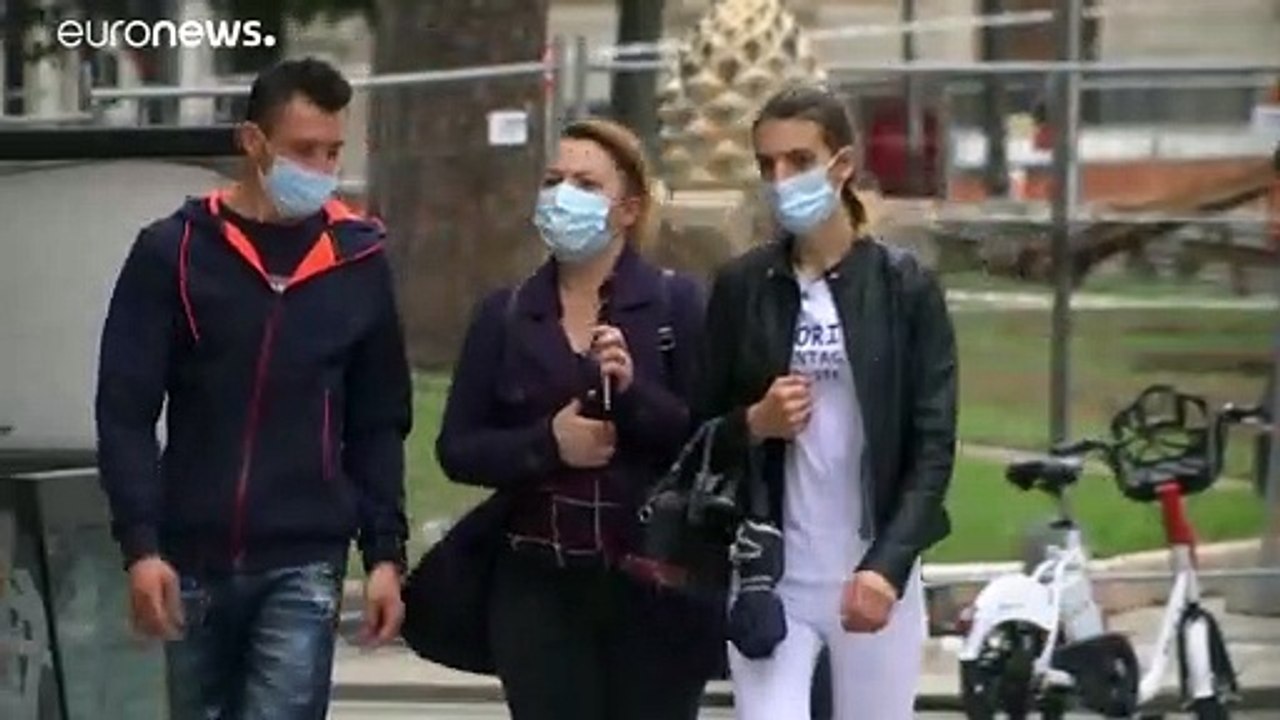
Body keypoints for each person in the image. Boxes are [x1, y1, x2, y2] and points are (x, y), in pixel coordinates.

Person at [94, 57, 411, 720]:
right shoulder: (173, 253)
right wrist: (142, 546)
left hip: (303, 557)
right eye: (303, 151)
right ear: (252, 142)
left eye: (332, 152)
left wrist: (385, 554)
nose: (320, 170)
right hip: (190, 556)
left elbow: (379, 420)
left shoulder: (357, 262)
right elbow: (125, 408)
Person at [435, 118, 717, 720]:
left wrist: (634, 394)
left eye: (586, 184)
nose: (564, 195)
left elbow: (710, 439)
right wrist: (548, 444)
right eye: (554, 179)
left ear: (627, 209)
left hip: (654, 586)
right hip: (537, 585)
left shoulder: (677, 305)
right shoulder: (506, 314)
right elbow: (458, 448)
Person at [694, 84, 958, 720]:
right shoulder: (742, 287)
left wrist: (888, 566)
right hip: (771, 574)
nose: (781, 180)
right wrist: (752, 423)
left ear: (842, 166)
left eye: (799, 162)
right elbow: (699, 432)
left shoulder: (904, 286)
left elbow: (933, 441)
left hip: (871, 573)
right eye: (767, 166)